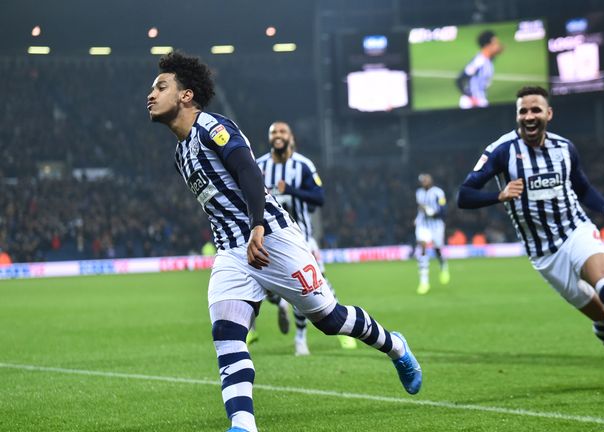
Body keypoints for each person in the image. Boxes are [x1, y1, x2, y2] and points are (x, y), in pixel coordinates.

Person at [147, 52, 421, 432]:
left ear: (186, 96)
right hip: (232, 252)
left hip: (273, 238)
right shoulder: (181, 153)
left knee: (330, 319)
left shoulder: (213, 127)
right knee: (227, 336)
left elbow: (247, 170)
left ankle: (396, 346)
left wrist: (257, 225)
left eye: (161, 87)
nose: (151, 94)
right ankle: (243, 425)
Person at [457, 86, 604, 399]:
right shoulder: (502, 151)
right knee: (602, 320)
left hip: (576, 231)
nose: (529, 116)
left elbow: (582, 187)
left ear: (548, 114)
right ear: (517, 116)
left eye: (535, 110)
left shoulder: (565, 148)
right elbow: (464, 195)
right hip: (544, 255)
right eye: (523, 111)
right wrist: (498, 195)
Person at [255, 121, 356, 354]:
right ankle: (281, 303)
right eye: (273, 132)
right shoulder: (258, 165)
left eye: (282, 132)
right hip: (268, 238)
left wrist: (291, 190)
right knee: (266, 288)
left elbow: (319, 197)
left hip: (302, 238)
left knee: (315, 286)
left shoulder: (303, 165)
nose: (277, 136)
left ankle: (303, 337)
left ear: (291, 137)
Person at [414, 173, 450, 294]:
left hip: (436, 225)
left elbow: (443, 209)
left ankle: (443, 266)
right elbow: (420, 209)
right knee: (422, 248)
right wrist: (418, 219)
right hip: (423, 225)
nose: (424, 181)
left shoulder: (438, 192)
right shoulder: (419, 193)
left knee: (437, 249)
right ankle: (424, 282)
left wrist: (432, 213)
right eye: (422, 180)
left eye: (426, 179)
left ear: (431, 180)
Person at [456, 30, 504, 109]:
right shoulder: (478, 62)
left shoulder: (488, 59)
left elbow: (494, 53)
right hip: (472, 103)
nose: (497, 45)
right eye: (495, 43)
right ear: (487, 46)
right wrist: (470, 98)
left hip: (480, 99)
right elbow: (459, 80)